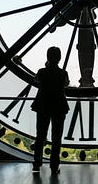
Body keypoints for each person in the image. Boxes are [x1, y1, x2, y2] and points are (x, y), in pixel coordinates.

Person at [31, 46, 70, 174]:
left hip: (43, 104)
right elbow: (66, 84)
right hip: (59, 105)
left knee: (40, 135)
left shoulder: (41, 72)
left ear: (47, 57)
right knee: (56, 138)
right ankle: (54, 165)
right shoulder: (63, 73)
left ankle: (37, 163)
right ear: (59, 58)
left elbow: (36, 80)